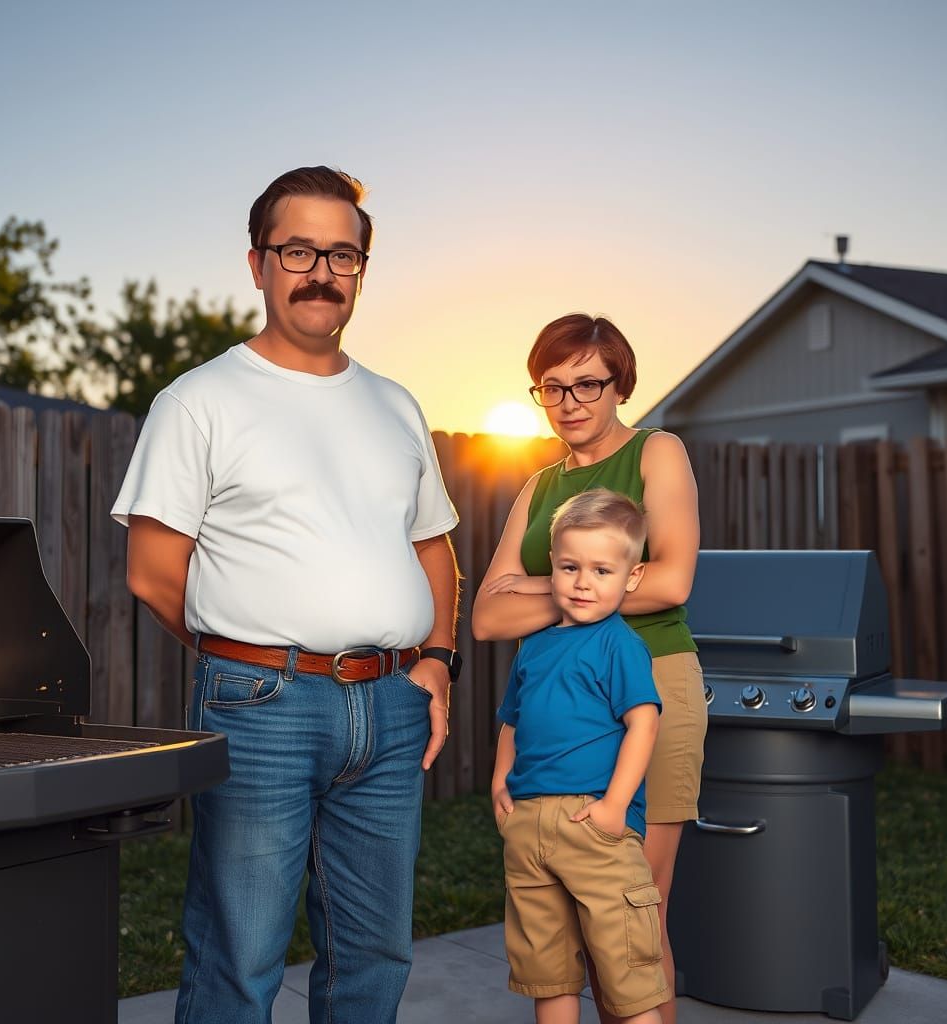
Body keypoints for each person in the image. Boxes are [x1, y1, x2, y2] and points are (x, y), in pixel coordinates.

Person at [111, 166, 461, 1024]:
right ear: (258, 262)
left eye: (343, 253)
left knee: (374, 953)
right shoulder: (199, 401)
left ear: (362, 270)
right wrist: (253, 654)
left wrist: (440, 663)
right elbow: (155, 572)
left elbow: (434, 547)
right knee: (241, 956)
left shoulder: (395, 404)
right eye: (298, 249)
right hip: (260, 704)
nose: (321, 271)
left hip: (390, 707)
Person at [473, 313, 704, 1024]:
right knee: (562, 928)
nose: (570, 402)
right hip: (557, 712)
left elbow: (669, 582)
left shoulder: (656, 453)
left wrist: (543, 587)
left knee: (636, 917)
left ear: (619, 384)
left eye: (588, 384)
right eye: (552, 387)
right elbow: (485, 616)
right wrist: (594, 582)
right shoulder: (540, 488)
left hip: (650, 686)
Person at [493, 488, 666, 1024]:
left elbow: (644, 721)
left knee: (628, 975)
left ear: (631, 577)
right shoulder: (536, 644)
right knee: (547, 974)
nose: (583, 582)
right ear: (553, 566)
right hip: (529, 826)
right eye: (570, 567)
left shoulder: (619, 644)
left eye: (601, 570)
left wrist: (615, 806)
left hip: (594, 824)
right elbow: (512, 719)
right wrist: (501, 782)